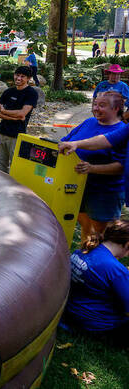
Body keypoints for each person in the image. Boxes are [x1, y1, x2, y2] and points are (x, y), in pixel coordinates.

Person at [60, 92, 125, 240]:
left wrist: (92, 168)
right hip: (79, 186)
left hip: (104, 192)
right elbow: (66, 140)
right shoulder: (89, 122)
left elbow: (121, 167)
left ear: (116, 109)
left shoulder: (121, 132)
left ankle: (101, 261)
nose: (96, 108)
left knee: (102, 233)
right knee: (85, 226)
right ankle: (85, 257)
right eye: (95, 104)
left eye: (102, 105)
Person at [63, 220, 129, 338]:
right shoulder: (115, 270)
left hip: (71, 314)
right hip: (98, 325)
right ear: (127, 244)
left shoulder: (82, 251)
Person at [0, 66, 38, 172]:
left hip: (16, 135)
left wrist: (4, 112)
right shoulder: (8, 92)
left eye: (22, 76)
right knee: (0, 168)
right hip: (1, 133)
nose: (18, 78)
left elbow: (22, 113)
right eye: (17, 75)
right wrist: (13, 118)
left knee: (15, 167)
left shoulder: (31, 93)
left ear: (28, 78)